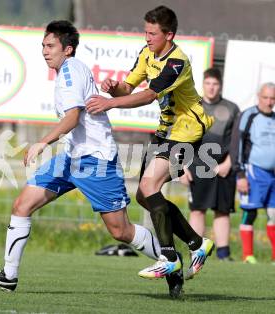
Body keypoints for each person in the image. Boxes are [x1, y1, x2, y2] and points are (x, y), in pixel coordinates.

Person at [0, 20, 167, 294]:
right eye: (43, 45)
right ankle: (9, 276)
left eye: (50, 46)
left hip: (96, 161)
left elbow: (73, 117)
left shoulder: (69, 74)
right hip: (71, 157)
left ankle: (169, 259)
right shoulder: (68, 69)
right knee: (22, 205)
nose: (44, 51)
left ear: (68, 49)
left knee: (121, 231)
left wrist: (41, 143)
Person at [86, 5, 215, 281]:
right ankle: (197, 243)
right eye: (145, 32)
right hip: (167, 131)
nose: (147, 38)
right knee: (144, 196)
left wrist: (110, 104)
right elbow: (129, 88)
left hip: (187, 132)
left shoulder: (177, 62)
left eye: (152, 33)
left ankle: (169, 257)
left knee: (148, 186)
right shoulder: (147, 53)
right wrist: (114, 88)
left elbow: (148, 96)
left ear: (169, 35)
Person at [180, 68, 240, 261]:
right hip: (196, 166)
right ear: (202, 84)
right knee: (197, 210)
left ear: (220, 85)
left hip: (223, 167)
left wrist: (228, 164)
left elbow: (236, 141)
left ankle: (224, 254)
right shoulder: (191, 106)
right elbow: (179, 139)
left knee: (222, 211)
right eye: (208, 84)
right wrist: (181, 168)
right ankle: (197, 251)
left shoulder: (232, 108)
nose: (211, 88)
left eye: (215, 84)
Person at [230, 82, 275, 264]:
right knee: (251, 212)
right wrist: (240, 174)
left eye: (273, 98)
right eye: (266, 97)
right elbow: (237, 145)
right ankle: (248, 255)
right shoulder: (248, 116)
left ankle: (274, 258)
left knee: (274, 214)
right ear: (259, 96)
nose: (269, 102)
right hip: (253, 171)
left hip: (273, 175)